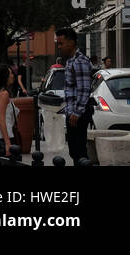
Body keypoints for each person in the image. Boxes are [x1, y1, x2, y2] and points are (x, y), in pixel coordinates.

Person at [55, 27, 94, 164]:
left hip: (78, 114)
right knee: (74, 151)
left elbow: (84, 89)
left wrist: (76, 113)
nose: (59, 47)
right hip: (72, 113)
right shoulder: (70, 61)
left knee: (79, 152)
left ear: (71, 43)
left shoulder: (79, 61)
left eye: (61, 43)